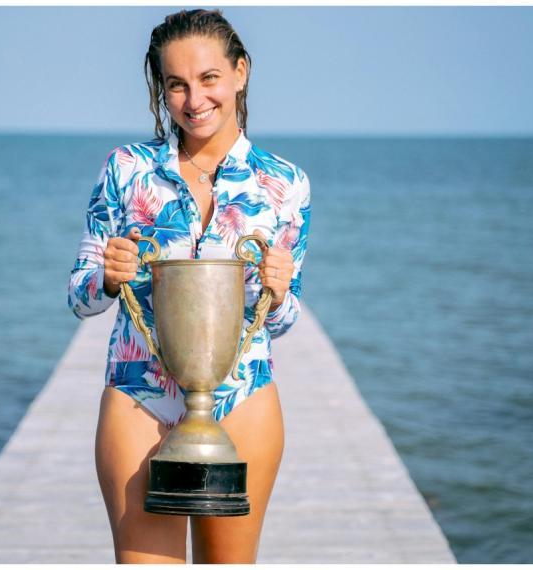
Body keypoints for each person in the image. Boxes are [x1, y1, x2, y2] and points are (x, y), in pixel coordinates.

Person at [67, 8, 311, 564]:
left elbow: (286, 318)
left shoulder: (285, 184)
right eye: (175, 84)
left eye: (208, 79)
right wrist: (107, 277)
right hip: (140, 397)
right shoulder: (126, 170)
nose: (194, 99)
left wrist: (279, 290)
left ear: (240, 73)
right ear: (161, 89)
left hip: (243, 398)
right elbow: (78, 295)